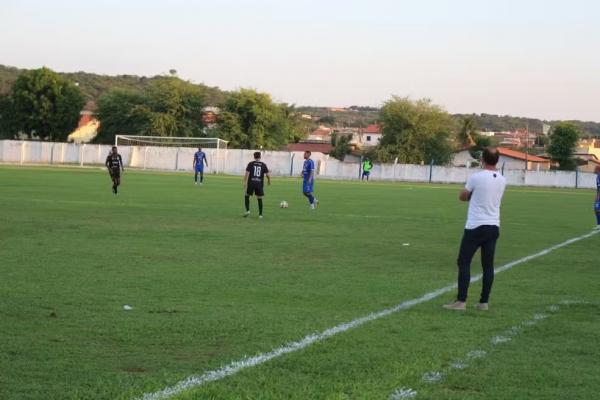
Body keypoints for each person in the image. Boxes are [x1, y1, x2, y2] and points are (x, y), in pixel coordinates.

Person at [444, 147, 506, 311]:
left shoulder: (476, 177)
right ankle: (483, 302)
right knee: (488, 265)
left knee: (463, 261)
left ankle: (461, 301)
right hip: (493, 225)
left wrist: (472, 195)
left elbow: (463, 196)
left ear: (482, 160)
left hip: (476, 225)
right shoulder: (501, 179)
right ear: (497, 160)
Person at [244, 152, 271, 219]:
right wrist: (269, 181)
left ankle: (247, 210)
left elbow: (247, 174)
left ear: (254, 157)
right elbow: (267, 175)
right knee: (259, 198)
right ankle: (260, 215)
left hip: (251, 183)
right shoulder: (263, 165)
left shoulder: (251, 164)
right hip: (259, 183)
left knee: (247, 195)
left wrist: (244, 182)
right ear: (260, 157)